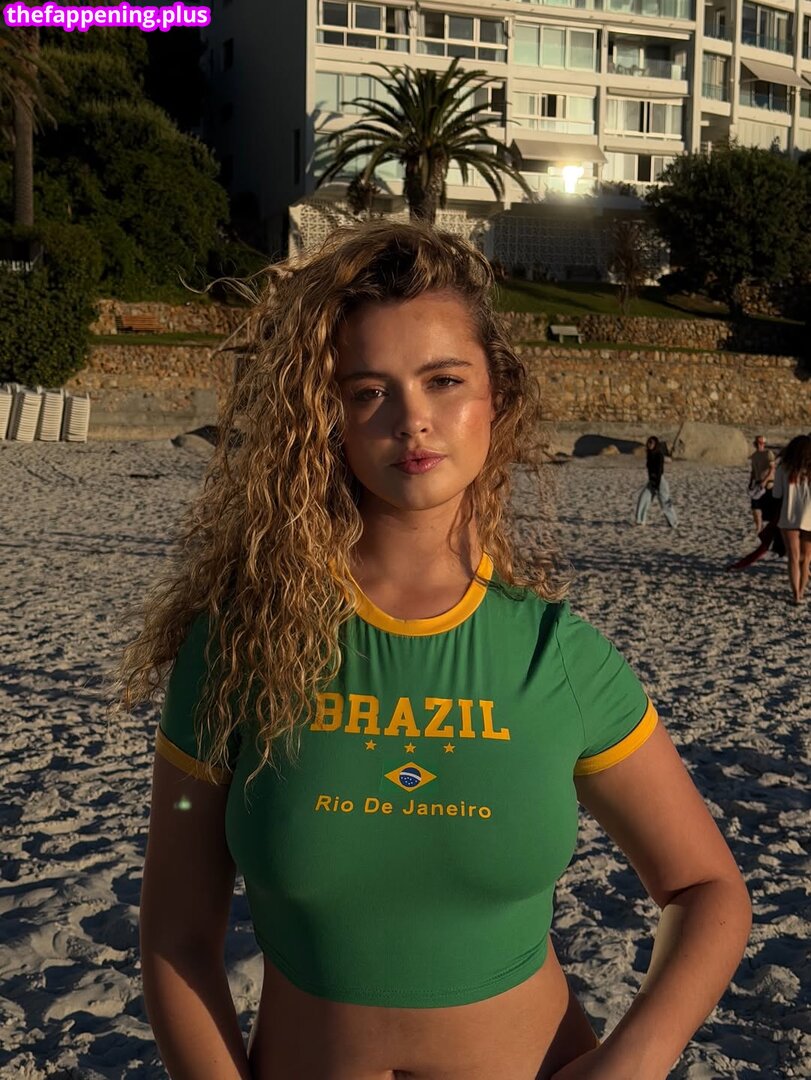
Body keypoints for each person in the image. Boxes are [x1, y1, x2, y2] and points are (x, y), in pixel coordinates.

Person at [119, 221, 751, 1080]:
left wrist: (631, 1064)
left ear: (498, 397)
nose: (412, 419)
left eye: (444, 380)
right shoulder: (239, 648)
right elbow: (177, 936)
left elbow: (706, 890)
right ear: (326, 419)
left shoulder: (556, 657)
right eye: (366, 391)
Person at [772, 433, 811, 604]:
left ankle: (796, 595)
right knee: (806, 559)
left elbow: (776, 494)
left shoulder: (783, 468)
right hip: (809, 517)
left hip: (788, 516)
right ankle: (802, 590)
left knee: (793, 558)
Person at [635, 436, 678, 527]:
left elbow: (659, 471)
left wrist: (656, 484)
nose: (649, 444)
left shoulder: (659, 455)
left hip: (660, 482)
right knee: (643, 498)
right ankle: (640, 520)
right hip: (651, 481)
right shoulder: (650, 454)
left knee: (665, 502)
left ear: (656, 444)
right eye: (649, 442)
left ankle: (673, 522)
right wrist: (651, 481)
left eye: (652, 443)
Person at [747, 435, 776, 535]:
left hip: (768, 483)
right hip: (758, 483)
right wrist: (751, 481)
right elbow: (753, 471)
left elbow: (772, 468)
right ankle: (759, 528)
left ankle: (771, 528)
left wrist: (765, 480)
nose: (760, 445)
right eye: (758, 443)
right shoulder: (754, 456)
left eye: (762, 443)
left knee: (770, 507)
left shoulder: (768, 453)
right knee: (755, 506)